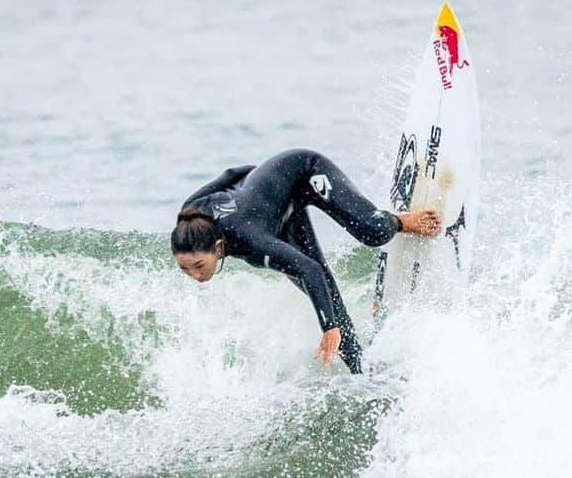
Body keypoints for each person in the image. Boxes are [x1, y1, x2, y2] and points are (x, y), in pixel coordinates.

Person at [171, 148, 440, 373]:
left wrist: (328, 327)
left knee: (373, 232)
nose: (194, 275)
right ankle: (364, 374)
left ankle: (402, 220)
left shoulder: (251, 240)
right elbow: (231, 175)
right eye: (185, 268)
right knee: (329, 302)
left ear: (218, 248)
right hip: (282, 215)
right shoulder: (190, 217)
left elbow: (309, 269)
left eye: (198, 266)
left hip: (304, 171)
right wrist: (265, 190)